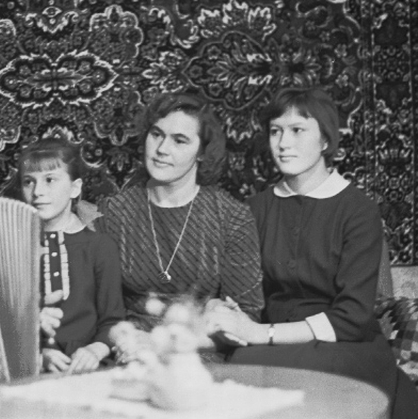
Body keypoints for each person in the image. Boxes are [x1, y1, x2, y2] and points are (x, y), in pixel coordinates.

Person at [206, 87, 418, 418]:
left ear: (325, 141)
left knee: (264, 370)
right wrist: (231, 311)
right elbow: (240, 291)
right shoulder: (253, 209)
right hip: (270, 345)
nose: (282, 143)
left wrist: (263, 333)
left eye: (297, 130)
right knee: (241, 369)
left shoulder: (358, 210)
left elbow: (352, 318)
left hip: (345, 347)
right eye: (275, 131)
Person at [96, 92, 264, 361]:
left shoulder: (231, 217)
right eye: (156, 134)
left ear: (201, 152)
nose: (162, 149)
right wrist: (122, 340)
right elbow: (98, 307)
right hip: (127, 351)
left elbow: (246, 316)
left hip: (197, 353)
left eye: (180, 140)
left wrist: (162, 344)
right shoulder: (113, 212)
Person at [19, 137, 126, 374]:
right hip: (33, 366)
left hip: (88, 365)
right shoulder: (16, 248)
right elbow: (8, 320)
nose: (38, 192)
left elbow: (113, 319)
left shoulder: (99, 247)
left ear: (75, 188)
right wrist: (39, 354)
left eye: (50, 180)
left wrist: (95, 350)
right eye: (29, 182)